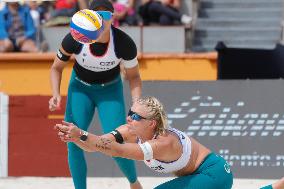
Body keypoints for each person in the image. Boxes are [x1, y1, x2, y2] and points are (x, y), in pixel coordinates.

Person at [48, 0, 142, 188]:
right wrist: (55, 93)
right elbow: (56, 68)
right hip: (80, 88)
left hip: (110, 90)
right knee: (72, 141)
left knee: (116, 142)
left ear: (112, 17)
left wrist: (136, 106)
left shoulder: (124, 43)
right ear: (89, 17)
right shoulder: (74, 38)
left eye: (106, 15)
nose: (102, 20)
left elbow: (134, 77)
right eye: (97, 16)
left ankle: (134, 182)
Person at [54, 96, 233, 189]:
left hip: (214, 174)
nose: (129, 118)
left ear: (151, 123)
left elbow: (119, 151)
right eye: (130, 112)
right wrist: (75, 138)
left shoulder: (163, 142)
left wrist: (82, 133)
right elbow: (97, 145)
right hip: (195, 177)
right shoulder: (129, 130)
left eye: (135, 116)